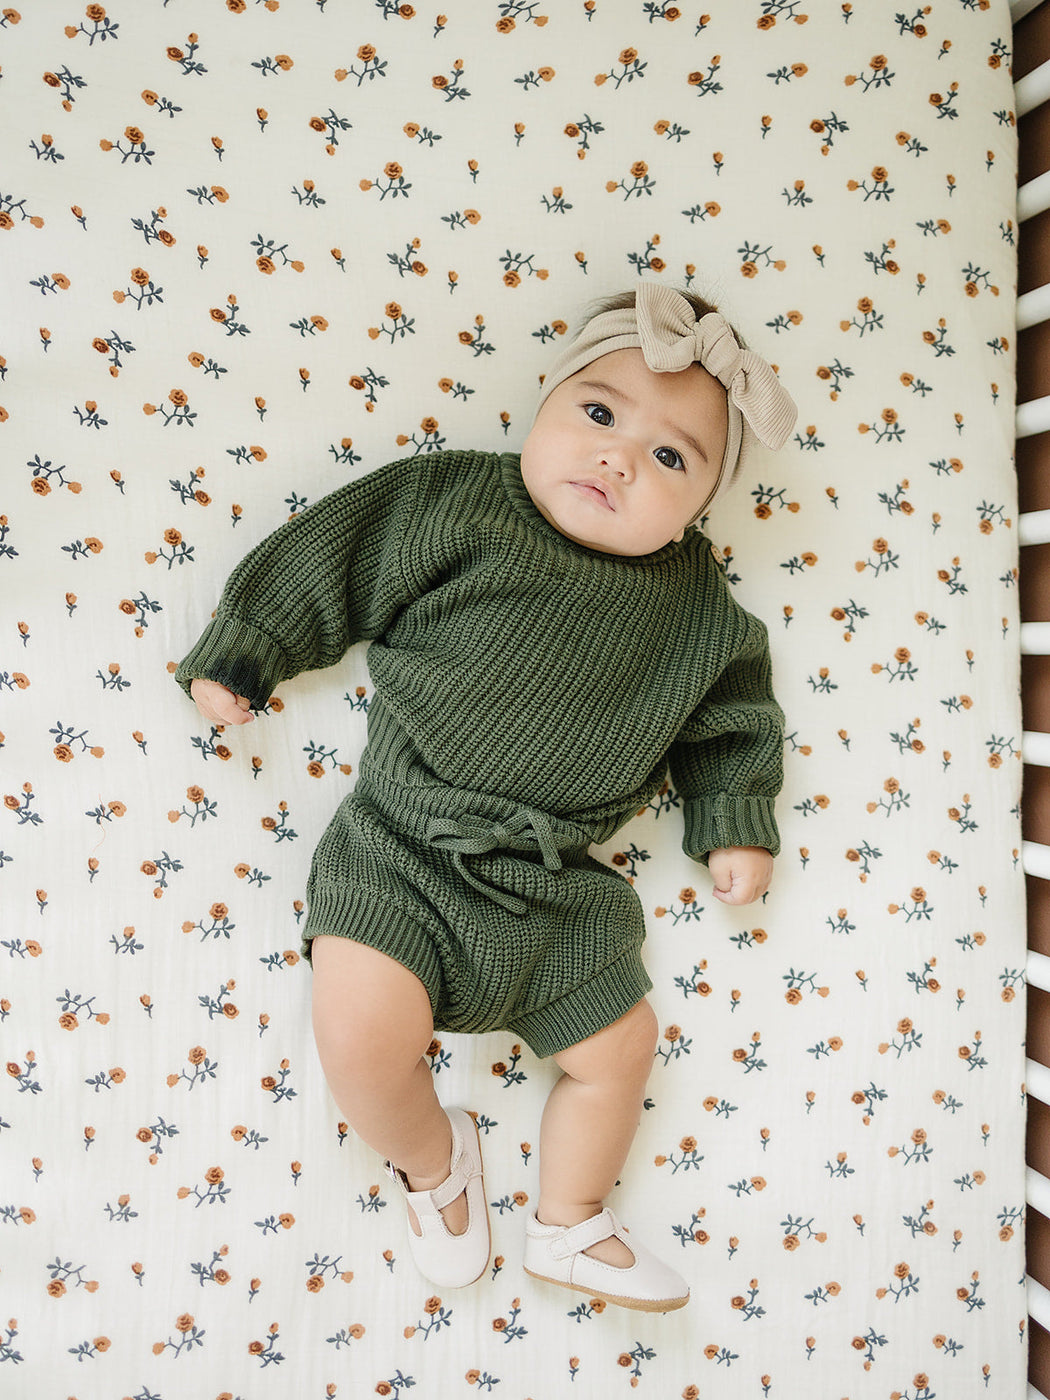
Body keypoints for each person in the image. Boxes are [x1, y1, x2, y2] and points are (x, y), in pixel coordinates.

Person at [175, 279, 796, 1313]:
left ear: (702, 504)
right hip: (403, 846)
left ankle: (571, 1217)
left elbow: (735, 718)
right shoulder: (458, 501)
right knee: (361, 1042)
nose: (618, 457)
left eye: (670, 457)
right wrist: (248, 650)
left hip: (555, 886)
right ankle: (435, 1164)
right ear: (545, 399)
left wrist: (735, 819)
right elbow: (337, 555)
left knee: (621, 1046)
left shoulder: (698, 605)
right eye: (598, 413)